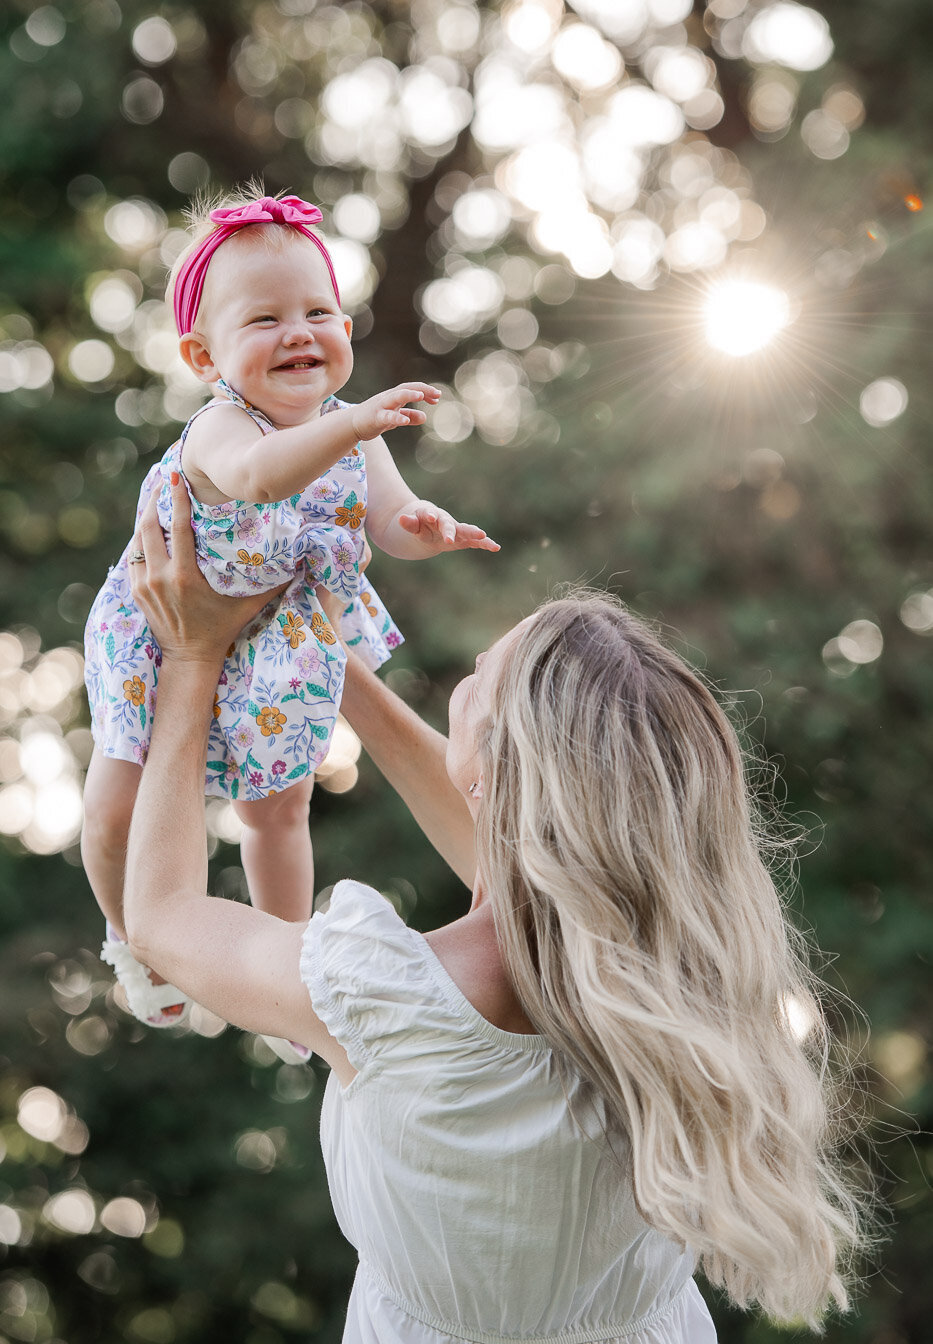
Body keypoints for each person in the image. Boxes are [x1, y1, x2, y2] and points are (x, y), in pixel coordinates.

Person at [120, 476, 867, 1343]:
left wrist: (191, 658)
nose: (466, 677)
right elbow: (514, 847)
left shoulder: (389, 992)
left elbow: (163, 914)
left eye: (480, 677)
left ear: (502, 765)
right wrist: (323, 646)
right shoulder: (682, 979)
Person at [82, 186, 498, 1030]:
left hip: (282, 637)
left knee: (281, 807)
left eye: (318, 311)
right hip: (164, 634)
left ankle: (283, 967)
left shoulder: (354, 429)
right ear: (204, 357)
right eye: (264, 319)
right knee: (117, 802)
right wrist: (353, 431)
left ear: (344, 330)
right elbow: (261, 478)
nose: (299, 331)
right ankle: (132, 938)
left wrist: (426, 528)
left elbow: (388, 523)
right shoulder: (219, 428)